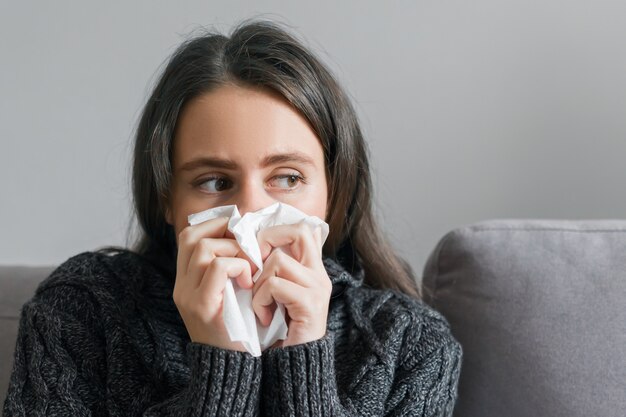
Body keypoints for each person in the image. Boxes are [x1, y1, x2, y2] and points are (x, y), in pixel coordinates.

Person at [3, 19, 462, 416]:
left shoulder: (409, 343)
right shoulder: (80, 313)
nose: (250, 213)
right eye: (214, 182)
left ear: (333, 192)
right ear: (168, 199)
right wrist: (221, 358)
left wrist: (305, 357)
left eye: (286, 178)